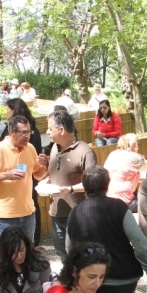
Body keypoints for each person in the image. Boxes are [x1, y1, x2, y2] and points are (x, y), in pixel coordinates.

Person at [66, 166, 147, 293]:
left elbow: (69, 248)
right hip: (124, 275)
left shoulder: (75, 213)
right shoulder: (119, 208)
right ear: (107, 184)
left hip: (91, 277)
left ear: (84, 186)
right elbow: (139, 242)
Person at [0, 115, 49, 240]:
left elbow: (37, 175)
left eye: (29, 132)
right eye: (23, 132)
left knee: (28, 255)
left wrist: (44, 167)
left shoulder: (30, 148)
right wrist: (7, 175)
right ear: (11, 132)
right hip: (5, 216)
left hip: (28, 213)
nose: (27, 136)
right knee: (6, 256)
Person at [46, 110, 97, 259]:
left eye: (50, 129)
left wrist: (69, 189)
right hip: (56, 212)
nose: (47, 132)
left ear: (61, 130)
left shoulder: (85, 152)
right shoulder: (54, 148)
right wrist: (47, 181)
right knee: (62, 255)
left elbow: (93, 184)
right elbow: (56, 174)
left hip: (77, 215)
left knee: (80, 256)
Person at [104, 133, 145, 210]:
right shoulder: (135, 157)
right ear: (134, 145)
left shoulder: (112, 154)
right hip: (124, 202)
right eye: (137, 145)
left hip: (108, 199)